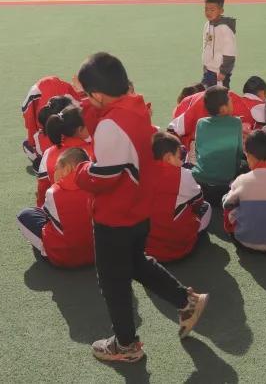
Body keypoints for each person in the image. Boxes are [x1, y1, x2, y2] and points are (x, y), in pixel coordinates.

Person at [74, 52, 207, 362]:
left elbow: (104, 177)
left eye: (85, 94)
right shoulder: (133, 106)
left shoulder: (110, 125)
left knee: (113, 282)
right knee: (135, 263)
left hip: (114, 217)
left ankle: (125, 344)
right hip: (137, 211)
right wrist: (88, 103)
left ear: (97, 94)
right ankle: (186, 301)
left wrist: (81, 171)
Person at [17, 147, 95, 267]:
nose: (54, 173)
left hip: (62, 258)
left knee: (24, 215)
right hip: (96, 254)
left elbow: (46, 217)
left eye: (56, 169)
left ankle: (45, 250)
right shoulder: (97, 186)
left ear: (67, 169)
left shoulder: (53, 191)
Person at [145, 132, 211, 262]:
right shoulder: (182, 174)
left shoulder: (140, 172)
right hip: (177, 247)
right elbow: (198, 202)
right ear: (168, 157)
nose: (181, 161)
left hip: (146, 247)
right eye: (179, 157)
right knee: (206, 207)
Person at [192, 86, 245, 201]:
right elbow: (239, 153)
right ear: (223, 109)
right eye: (230, 101)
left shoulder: (200, 123)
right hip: (226, 183)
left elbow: (197, 151)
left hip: (200, 179)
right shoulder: (236, 122)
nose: (232, 103)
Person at [37, 105, 94, 206]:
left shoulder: (48, 153)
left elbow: (43, 188)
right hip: (91, 211)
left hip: (59, 211)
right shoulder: (95, 150)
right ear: (80, 129)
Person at [201, 0, 237, 89]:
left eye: (212, 10)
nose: (208, 12)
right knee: (206, 96)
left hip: (219, 73)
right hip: (208, 70)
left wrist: (224, 71)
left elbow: (230, 52)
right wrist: (205, 64)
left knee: (219, 99)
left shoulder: (225, 29)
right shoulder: (207, 25)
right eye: (206, 9)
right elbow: (206, 46)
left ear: (221, 11)